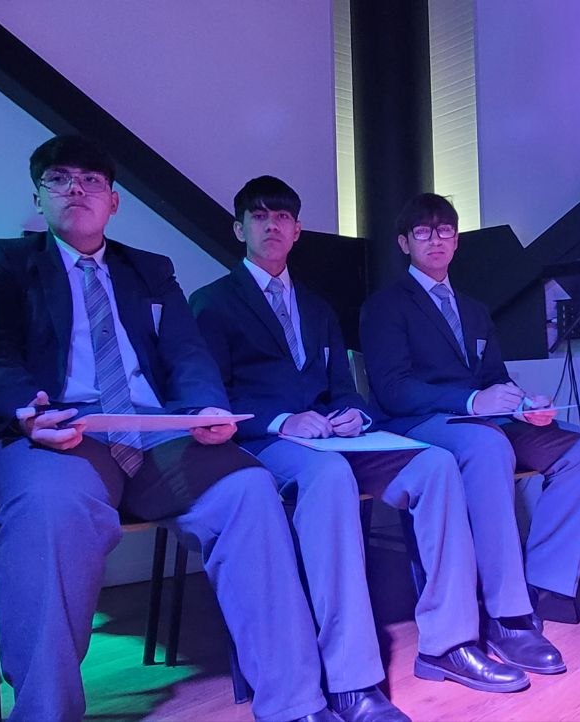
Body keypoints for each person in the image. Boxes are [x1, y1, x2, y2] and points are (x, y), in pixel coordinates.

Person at [0, 136, 337, 722]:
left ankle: (295, 704)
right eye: (59, 179)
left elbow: (188, 353)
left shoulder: (150, 270)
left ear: (114, 201)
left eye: (91, 180)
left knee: (250, 489)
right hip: (50, 429)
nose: (76, 189)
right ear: (38, 197)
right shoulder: (4, 261)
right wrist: (25, 409)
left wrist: (205, 408)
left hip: (150, 433)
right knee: (52, 502)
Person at [190, 177, 530, 718]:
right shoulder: (211, 303)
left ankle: (449, 643)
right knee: (329, 479)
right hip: (265, 441)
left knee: (437, 464)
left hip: (331, 438)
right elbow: (211, 397)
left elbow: (345, 390)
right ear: (239, 229)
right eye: (260, 216)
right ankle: (352, 679)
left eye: (283, 217)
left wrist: (352, 414)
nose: (272, 225)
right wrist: (282, 421)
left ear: (298, 231)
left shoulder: (317, 307)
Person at [359, 193, 580, 676]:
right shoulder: (384, 306)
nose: (436, 240)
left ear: (456, 241)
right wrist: (473, 402)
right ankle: (505, 616)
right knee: (488, 445)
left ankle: (542, 587)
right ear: (404, 243)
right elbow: (392, 389)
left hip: (481, 420)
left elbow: (494, 376)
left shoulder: (474, 310)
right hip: (420, 424)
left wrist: (523, 402)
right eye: (423, 232)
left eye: (445, 231)